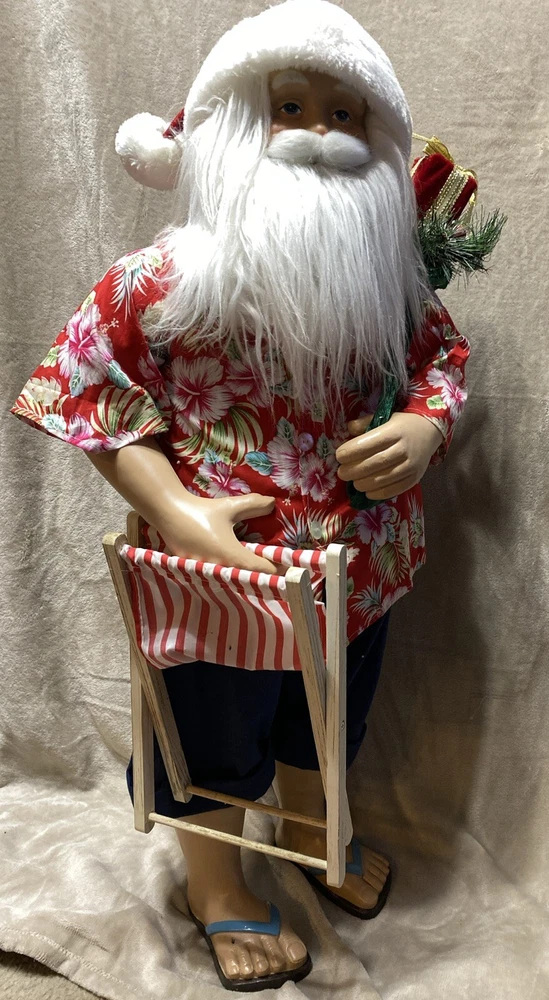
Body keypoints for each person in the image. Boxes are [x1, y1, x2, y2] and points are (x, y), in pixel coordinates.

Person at [10, 0, 469, 990]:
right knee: (212, 740)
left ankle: (313, 835)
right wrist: (176, 509)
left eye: (344, 114)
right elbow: (88, 388)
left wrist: (425, 424)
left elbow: (442, 360)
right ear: (224, 127)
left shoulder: (390, 282)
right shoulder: (160, 281)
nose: (319, 135)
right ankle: (217, 886)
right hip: (222, 580)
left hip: (359, 570)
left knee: (328, 721)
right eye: (288, 107)